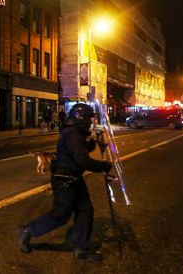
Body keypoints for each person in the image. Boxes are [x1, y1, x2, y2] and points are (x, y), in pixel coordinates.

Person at [16, 102, 113, 261]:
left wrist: (93, 143)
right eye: (88, 119)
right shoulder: (73, 134)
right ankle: (27, 231)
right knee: (60, 215)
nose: (90, 122)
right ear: (80, 118)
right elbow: (81, 159)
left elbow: (79, 150)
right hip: (65, 180)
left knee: (85, 211)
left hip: (74, 178)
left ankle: (81, 248)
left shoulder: (74, 132)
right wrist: (102, 166)